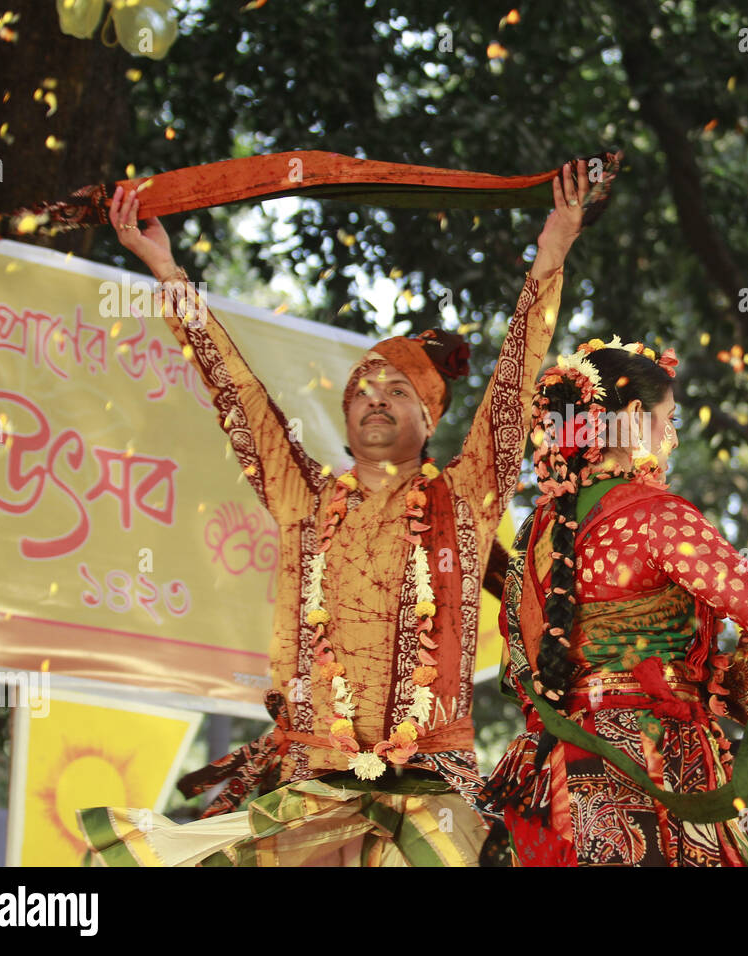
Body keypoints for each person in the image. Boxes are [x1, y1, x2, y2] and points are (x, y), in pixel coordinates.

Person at [76, 155, 615, 867]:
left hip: (432, 781)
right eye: (364, 388)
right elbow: (234, 390)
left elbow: (513, 386)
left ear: (429, 422)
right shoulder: (304, 497)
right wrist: (167, 272)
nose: (375, 399)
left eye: (398, 391)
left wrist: (554, 248)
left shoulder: (465, 494)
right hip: (313, 775)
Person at [479, 340, 748, 866]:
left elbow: (518, 668)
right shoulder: (654, 515)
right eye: (670, 418)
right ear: (637, 416)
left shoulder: (539, 529)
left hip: (554, 769)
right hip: (651, 757)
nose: (672, 435)